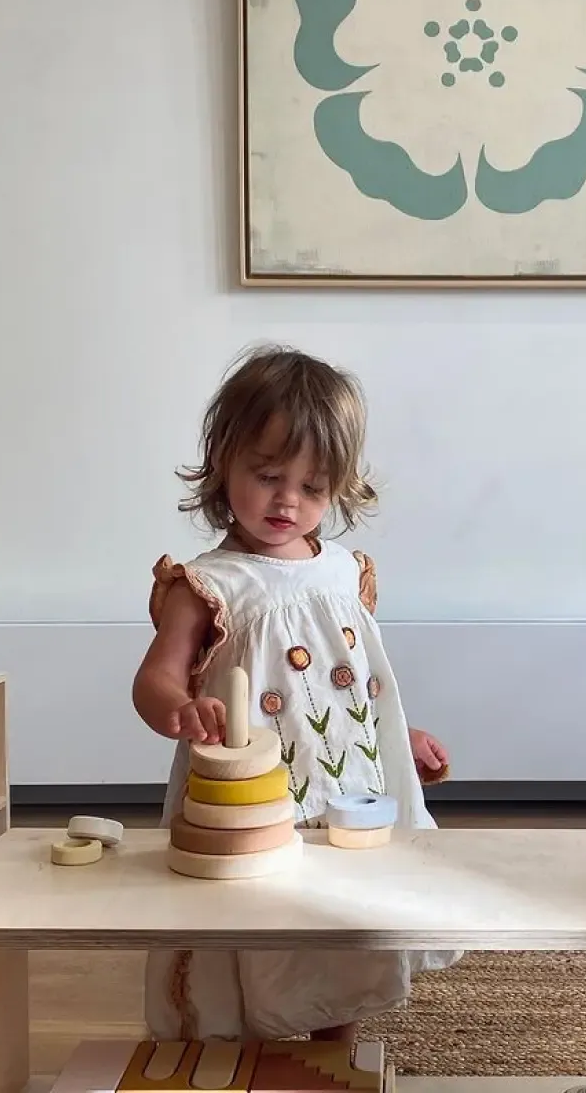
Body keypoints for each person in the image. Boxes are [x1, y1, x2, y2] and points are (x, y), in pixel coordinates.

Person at [132, 344, 457, 1042]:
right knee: (257, 926)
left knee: (341, 925)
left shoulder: (343, 572)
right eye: (268, 475)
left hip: (345, 790)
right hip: (251, 800)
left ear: (340, 485)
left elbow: (354, 682)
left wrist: (404, 733)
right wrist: (178, 708)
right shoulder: (210, 585)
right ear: (225, 463)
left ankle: (334, 1061)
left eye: (312, 487)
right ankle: (246, 1057)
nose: (287, 501)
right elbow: (154, 678)